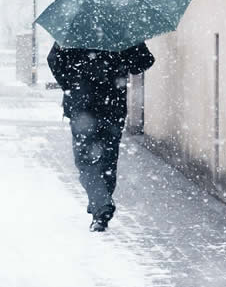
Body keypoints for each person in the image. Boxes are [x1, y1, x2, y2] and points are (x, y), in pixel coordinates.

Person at [47, 41, 155, 231]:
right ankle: (100, 202)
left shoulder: (74, 31)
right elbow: (144, 61)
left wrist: (71, 85)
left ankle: (100, 203)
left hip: (82, 109)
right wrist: (126, 56)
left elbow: (54, 60)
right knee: (108, 159)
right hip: (112, 106)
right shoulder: (122, 32)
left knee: (85, 161)